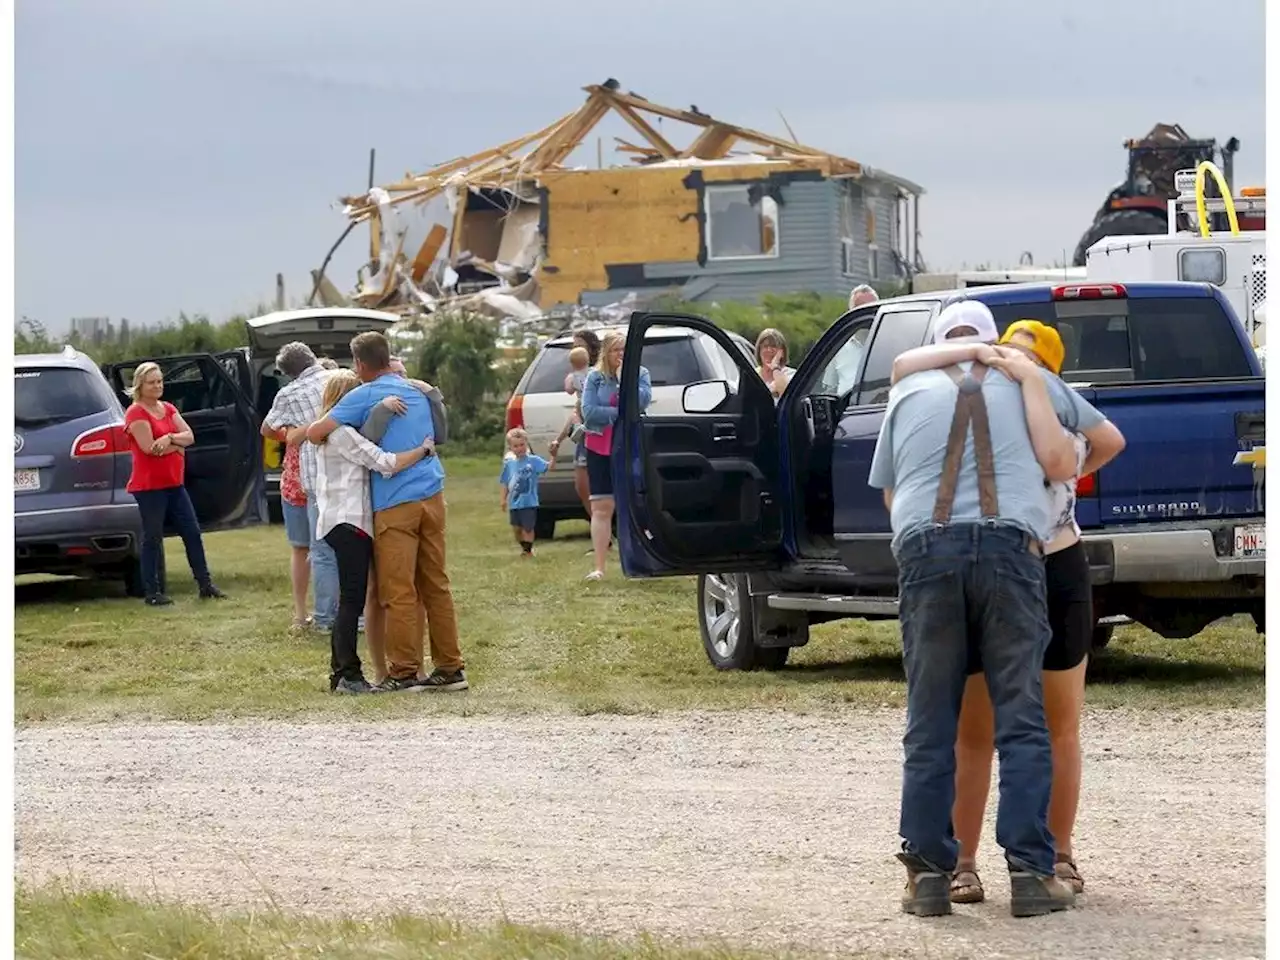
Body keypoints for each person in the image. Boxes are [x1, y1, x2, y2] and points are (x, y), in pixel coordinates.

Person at [868, 300, 1106, 919]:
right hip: (1012, 548)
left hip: (928, 550)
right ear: (992, 339)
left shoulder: (907, 388)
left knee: (931, 725)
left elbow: (893, 498)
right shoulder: (1029, 380)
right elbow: (1079, 453)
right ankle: (1032, 874)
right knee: (1023, 721)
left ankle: (928, 876)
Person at [307, 331, 467, 693]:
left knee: (398, 591)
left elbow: (316, 432)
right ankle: (450, 668)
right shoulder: (418, 390)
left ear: (360, 364)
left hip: (396, 502)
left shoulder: (362, 394)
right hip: (433, 494)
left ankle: (403, 671)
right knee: (437, 585)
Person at [312, 370, 436, 695]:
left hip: (337, 521)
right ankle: (347, 674)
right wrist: (423, 450)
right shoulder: (342, 434)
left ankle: (340, 671)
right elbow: (385, 462)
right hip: (350, 522)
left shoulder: (330, 434)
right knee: (352, 601)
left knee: (350, 599)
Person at [123, 362, 226, 606]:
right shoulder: (136, 412)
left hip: (174, 483)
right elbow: (150, 448)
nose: (158, 386)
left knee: (192, 532)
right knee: (153, 537)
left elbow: (189, 436)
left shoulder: (168, 408)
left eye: (160, 381)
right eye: (152, 382)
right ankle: (152, 591)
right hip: (149, 487)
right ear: (140, 385)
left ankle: (205, 584)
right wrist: (178, 447)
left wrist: (170, 438)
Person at [261, 342, 338, 632]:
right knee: (341, 546)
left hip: (310, 476)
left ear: (287, 372)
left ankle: (322, 617)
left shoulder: (289, 393)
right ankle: (350, 615)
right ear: (312, 358)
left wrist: (295, 433)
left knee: (315, 549)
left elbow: (266, 429)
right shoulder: (340, 379)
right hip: (347, 470)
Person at [580, 331, 652, 581]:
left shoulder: (640, 374)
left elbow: (640, 402)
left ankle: (639, 563)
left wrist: (624, 382)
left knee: (634, 504)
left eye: (624, 350)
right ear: (605, 352)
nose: (620, 355)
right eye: (615, 350)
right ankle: (599, 566)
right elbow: (589, 412)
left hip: (629, 446)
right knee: (601, 506)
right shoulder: (595, 377)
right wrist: (619, 413)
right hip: (599, 446)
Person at [550, 331, 602, 524]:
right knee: (582, 486)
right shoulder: (578, 378)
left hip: (600, 432)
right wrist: (560, 438)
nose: (575, 349)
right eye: (574, 345)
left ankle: (607, 530)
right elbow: (576, 412)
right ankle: (601, 531)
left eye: (579, 344)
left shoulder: (598, 373)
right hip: (584, 432)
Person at [500, 428, 555, 557]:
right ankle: (524, 547)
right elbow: (505, 483)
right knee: (517, 529)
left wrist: (554, 455)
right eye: (516, 446)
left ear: (526, 444)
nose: (519, 448)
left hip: (529, 502)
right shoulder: (509, 465)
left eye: (522, 445)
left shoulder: (533, 461)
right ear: (510, 448)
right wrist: (503, 499)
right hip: (515, 503)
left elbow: (549, 467)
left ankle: (528, 551)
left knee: (528, 528)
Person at [754, 328, 797, 400]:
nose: (769, 350)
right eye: (765, 346)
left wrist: (775, 368)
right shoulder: (752, 375)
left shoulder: (790, 374)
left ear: (782, 352)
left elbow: (787, 395)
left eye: (773, 346)